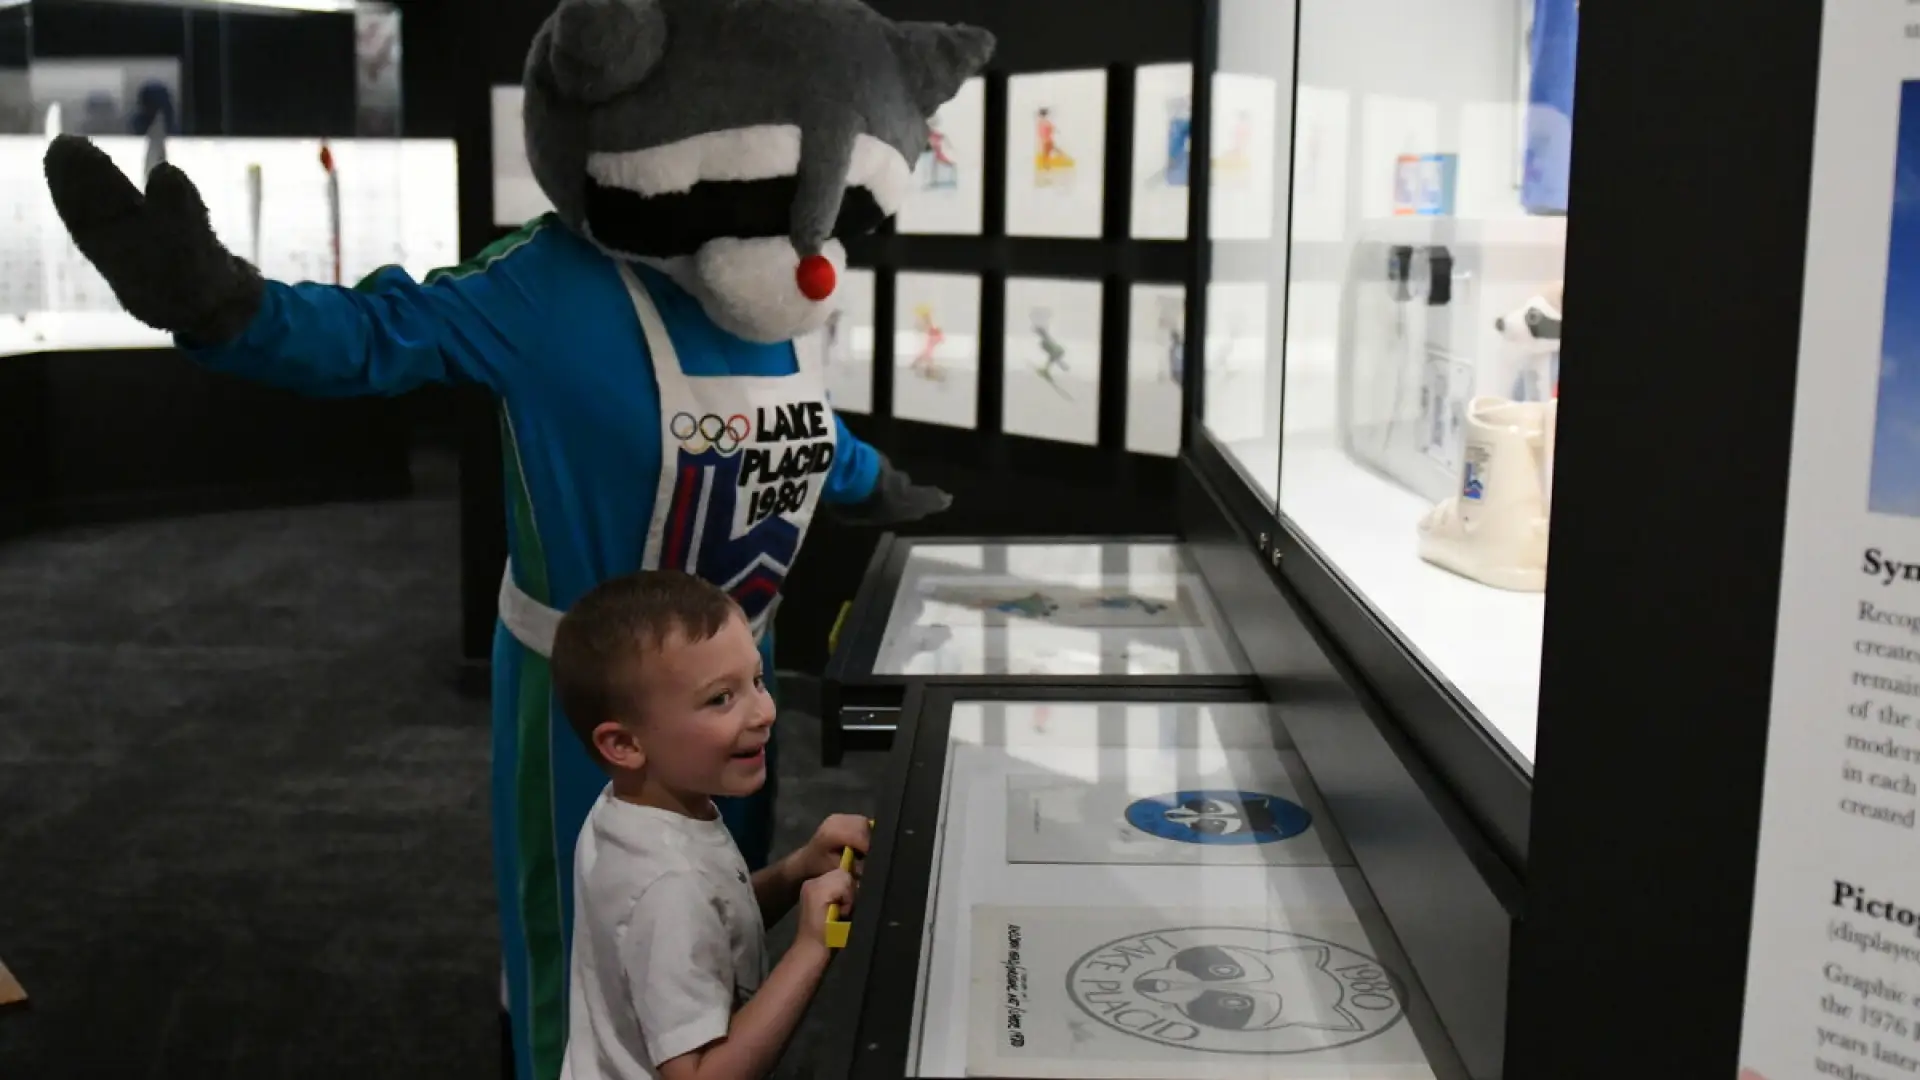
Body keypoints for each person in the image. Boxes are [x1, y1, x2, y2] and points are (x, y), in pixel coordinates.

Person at [40, 4, 992, 1077]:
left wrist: (872, 483)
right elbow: (379, 334)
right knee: (584, 933)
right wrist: (225, 307)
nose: (813, 249)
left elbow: (801, 426)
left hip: (739, 673)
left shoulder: (780, 303)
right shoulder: (553, 290)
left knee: (717, 900)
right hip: (590, 698)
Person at [550, 569, 866, 1080]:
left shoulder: (626, 809)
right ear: (625, 744)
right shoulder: (668, 887)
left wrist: (796, 870)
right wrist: (812, 946)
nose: (764, 712)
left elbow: (714, 922)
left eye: (756, 681)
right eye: (721, 698)